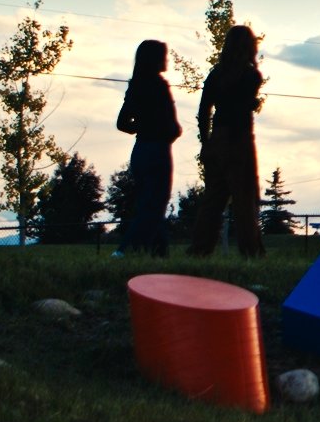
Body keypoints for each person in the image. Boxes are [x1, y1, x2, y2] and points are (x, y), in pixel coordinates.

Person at [190, 24, 265, 257]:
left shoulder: (215, 75)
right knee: (244, 198)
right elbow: (242, 104)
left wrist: (206, 141)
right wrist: (253, 104)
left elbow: (204, 110)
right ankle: (250, 250)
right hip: (240, 139)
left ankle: (200, 249)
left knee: (213, 197)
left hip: (218, 139)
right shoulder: (252, 75)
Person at [113, 39, 181, 257]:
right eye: (163, 55)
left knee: (150, 203)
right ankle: (124, 251)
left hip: (140, 150)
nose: (166, 60)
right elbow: (171, 125)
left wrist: (142, 126)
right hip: (158, 151)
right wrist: (164, 130)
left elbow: (122, 123)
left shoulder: (136, 85)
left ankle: (161, 255)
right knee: (154, 206)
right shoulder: (159, 86)